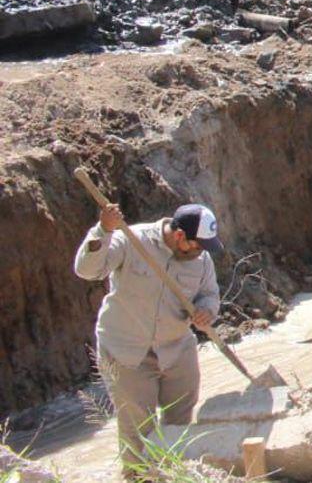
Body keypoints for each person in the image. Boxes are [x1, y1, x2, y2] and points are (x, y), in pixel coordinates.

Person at [74, 202, 223, 475]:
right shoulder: (132, 241)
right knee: (137, 429)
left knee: (180, 422)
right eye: (197, 245)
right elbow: (87, 270)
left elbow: (210, 294)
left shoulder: (200, 260)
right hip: (127, 351)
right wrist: (103, 231)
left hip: (177, 349)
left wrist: (207, 311)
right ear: (179, 236)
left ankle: (175, 475)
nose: (201, 252)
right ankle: (137, 477)